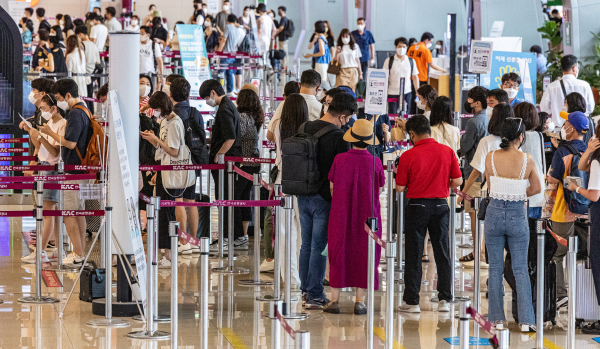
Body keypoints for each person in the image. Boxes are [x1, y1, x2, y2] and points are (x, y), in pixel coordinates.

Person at [396, 114, 463, 313]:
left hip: (417, 206)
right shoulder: (447, 151)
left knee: (414, 253)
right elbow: (458, 181)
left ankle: (412, 301)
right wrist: (443, 184)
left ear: (412, 134)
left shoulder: (408, 155)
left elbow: (399, 187)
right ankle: (444, 298)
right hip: (441, 206)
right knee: (442, 253)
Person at [298, 92, 356, 309]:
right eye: (348, 117)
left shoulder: (305, 127)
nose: (348, 121)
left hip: (303, 193)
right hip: (324, 197)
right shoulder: (340, 137)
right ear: (342, 116)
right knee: (319, 246)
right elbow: (341, 174)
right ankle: (314, 295)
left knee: (306, 244)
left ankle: (306, 290)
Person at [484, 117, 541, 332]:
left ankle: (497, 319)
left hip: (494, 213)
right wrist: (518, 192)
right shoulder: (527, 159)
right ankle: (527, 321)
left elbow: (490, 186)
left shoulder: (491, 158)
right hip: (518, 214)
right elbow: (536, 188)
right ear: (521, 136)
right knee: (520, 269)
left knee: (495, 268)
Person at [323, 118, 385, 315]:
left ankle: (334, 300)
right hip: (369, 216)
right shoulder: (376, 162)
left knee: (338, 250)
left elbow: (332, 186)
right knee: (366, 254)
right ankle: (360, 301)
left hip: (341, 213)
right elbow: (380, 188)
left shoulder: (339, 159)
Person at [40, 79, 91, 264]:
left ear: (68, 95)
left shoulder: (76, 113)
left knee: (69, 212)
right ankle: (80, 253)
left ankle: (77, 254)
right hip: (82, 169)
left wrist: (49, 132)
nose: (60, 101)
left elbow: (70, 143)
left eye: (60, 97)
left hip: (74, 169)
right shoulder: (85, 109)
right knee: (78, 212)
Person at [142, 91, 196, 264]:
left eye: (155, 109)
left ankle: (169, 254)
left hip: (173, 172)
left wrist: (156, 139)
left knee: (168, 213)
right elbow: (163, 148)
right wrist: (153, 139)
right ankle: (164, 253)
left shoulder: (175, 122)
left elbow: (174, 151)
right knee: (162, 213)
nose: (154, 112)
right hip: (163, 169)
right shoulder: (164, 121)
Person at [459, 104, 514, 266]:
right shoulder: (514, 141)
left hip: (487, 191)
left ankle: (482, 254)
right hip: (511, 192)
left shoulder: (487, 141)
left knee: (481, 222)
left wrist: (463, 192)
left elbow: (476, 170)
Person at [547, 111, 589, 309]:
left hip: (564, 211)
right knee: (585, 255)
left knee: (557, 254)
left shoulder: (562, 152)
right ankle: (585, 297)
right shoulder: (591, 150)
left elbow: (555, 180)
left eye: (565, 123)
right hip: (587, 210)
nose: (562, 126)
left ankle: (560, 294)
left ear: (571, 128)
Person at [19, 94, 66, 264]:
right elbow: (42, 149)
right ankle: (58, 250)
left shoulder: (61, 124)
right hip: (43, 166)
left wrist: (44, 135)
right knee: (48, 213)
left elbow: (55, 152)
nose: (43, 112)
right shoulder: (50, 124)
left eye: (44, 108)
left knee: (48, 213)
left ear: (53, 108)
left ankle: (42, 251)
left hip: (52, 170)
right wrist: (35, 135)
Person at [200, 79, 244, 251]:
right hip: (230, 161)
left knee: (223, 198)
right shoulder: (229, 106)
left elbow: (230, 137)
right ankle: (234, 236)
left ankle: (225, 238)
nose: (206, 101)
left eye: (206, 97)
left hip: (226, 163)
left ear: (212, 92)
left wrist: (219, 155)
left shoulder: (224, 109)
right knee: (227, 198)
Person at [458, 86, 489, 259]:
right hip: (487, 173)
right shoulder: (489, 119)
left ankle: (478, 252)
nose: (467, 102)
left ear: (477, 103)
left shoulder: (473, 122)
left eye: (470, 99)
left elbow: (465, 146)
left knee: (474, 214)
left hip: (473, 172)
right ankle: (481, 250)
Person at [236, 89, 265, 249]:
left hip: (243, 163)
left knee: (238, 198)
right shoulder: (256, 116)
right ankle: (245, 234)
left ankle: (240, 235)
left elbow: (235, 137)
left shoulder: (243, 118)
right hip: (254, 161)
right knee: (245, 198)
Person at [267, 70, 324, 145]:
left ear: (299, 85)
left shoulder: (285, 104)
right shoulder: (321, 109)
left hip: (284, 154)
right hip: (310, 155)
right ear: (317, 88)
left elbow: (270, 136)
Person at [540, 55, 595, 128]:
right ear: (574, 68)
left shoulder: (551, 87)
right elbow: (590, 109)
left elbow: (544, 108)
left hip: (559, 129)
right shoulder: (585, 85)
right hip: (580, 130)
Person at [514, 102, 545, 219]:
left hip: (523, 190)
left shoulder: (517, 137)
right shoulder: (539, 135)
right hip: (539, 187)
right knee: (537, 231)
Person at [383, 37, 419, 114]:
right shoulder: (389, 61)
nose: (402, 49)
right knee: (392, 116)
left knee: (406, 116)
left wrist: (417, 91)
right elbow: (384, 77)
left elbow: (415, 77)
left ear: (407, 47)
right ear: (395, 47)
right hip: (392, 93)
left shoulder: (411, 61)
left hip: (407, 93)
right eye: (399, 47)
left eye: (404, 47)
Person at [218, 14, 245, 96]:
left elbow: (224, 40)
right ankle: (230, 91)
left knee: (221, 73)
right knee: (230, 73)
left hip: (226, 54)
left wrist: (219, 51)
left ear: (227, 19)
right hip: (233, 54)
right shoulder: (237, 30)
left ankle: (220, 90)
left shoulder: (228, 27)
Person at [75, 26, 100, 112]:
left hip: (82, 74)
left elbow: (79, 60)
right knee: (90, 97)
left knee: (83, 98)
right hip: (91, 74)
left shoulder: (81, 45)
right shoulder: (94, 45)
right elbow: (97, 61)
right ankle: (91, 117)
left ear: (81, 35)